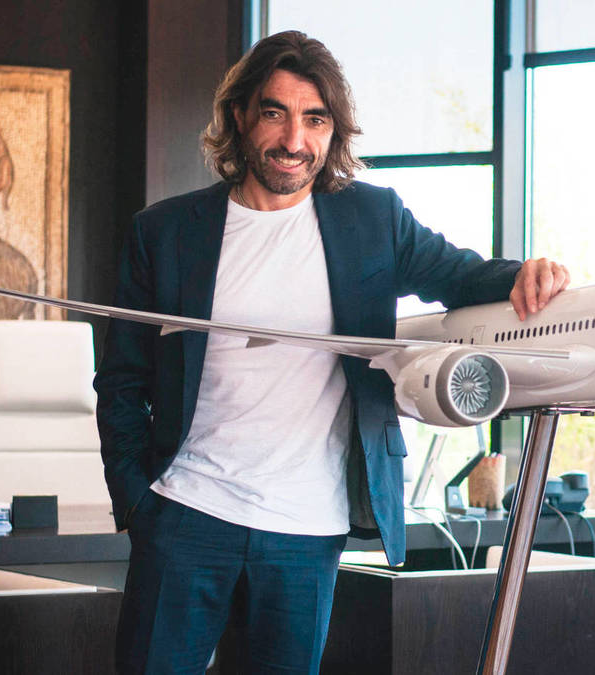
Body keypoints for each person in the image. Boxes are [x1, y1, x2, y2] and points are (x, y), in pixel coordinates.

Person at [94, 30, 569, 673]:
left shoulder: (372, 220)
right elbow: (121, 381)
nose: (295, 140)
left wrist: (526, 272)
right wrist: (137, 503)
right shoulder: (165, 231)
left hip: (306, 530)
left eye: (315, 120)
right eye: (275, 113)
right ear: (240, 116)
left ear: (333, 131)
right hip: (184, 515)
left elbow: (461, 276)